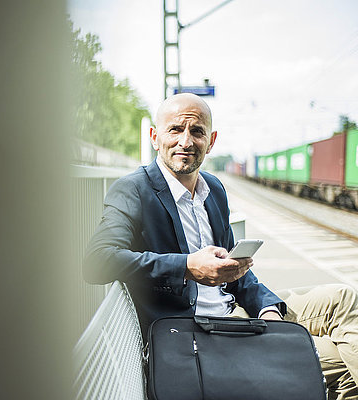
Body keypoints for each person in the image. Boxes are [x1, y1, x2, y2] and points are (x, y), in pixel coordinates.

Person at [83, 93, 358, 399]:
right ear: (154, 137)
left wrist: (267, 309)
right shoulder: (133, 189)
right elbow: (98, 260)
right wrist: (188, 266)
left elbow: (237, 274)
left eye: (197, 131)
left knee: (344, 298)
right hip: (197, 331)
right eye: (175, 130)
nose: (186, 141)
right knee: (341, 359)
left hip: (237, 312)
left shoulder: (213, 188)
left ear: (211, 141)